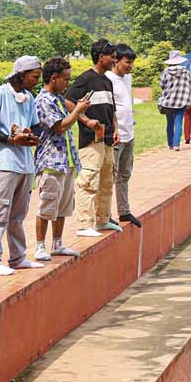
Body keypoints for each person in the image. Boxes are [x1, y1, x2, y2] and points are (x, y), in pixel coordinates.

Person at [0, 56, 43, 276]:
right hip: (4, 162)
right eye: (34, 77)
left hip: (25, 163)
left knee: (18, 215)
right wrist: (9, 139)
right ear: (22, 74)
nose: (37, 81)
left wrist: (33, 137)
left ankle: (17, 257)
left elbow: (36, 125)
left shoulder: (29, 97)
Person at [33, 58, 89, 262]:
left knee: (64, 206)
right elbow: (59, 126)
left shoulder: (58, 99)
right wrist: (78, 111)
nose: (68, 83)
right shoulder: (43, 100)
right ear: (54, 78)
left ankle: (57, 243)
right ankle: (40, 245)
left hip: (65, 161)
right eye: (65, 79)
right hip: (50, 162)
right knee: (47, 205)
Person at [66, 39, 117, 238]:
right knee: (88, 180)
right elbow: (69, 101)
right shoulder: (85, 79)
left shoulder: (108, 81)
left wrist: (116, 128)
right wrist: (86, 121)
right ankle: (84, 224)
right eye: (111, 56)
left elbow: (112, 109)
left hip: (107, 139)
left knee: (107, 180)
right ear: (100, 57)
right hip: (91, 140)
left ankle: (103, 219)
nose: (114, 59)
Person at [107, 44, 141, 229]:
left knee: (124, 175)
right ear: (116, 61)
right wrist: (114, 129)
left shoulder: (127, 78)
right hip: (116, 135)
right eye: (127, 62)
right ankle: (105, 214)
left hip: (129, 133)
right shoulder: (107, 80)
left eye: (132, 62)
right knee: (110, 176)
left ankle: (124, 210)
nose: (130, 66)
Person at [158, 51, 191, 150]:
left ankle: (170, 144)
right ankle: (176, 144)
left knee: (170, 123)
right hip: (181, 101)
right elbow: (189, 85)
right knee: (178, 122)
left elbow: (162, 85)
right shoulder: (186, 72)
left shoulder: (165, 72)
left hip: (168, 101)